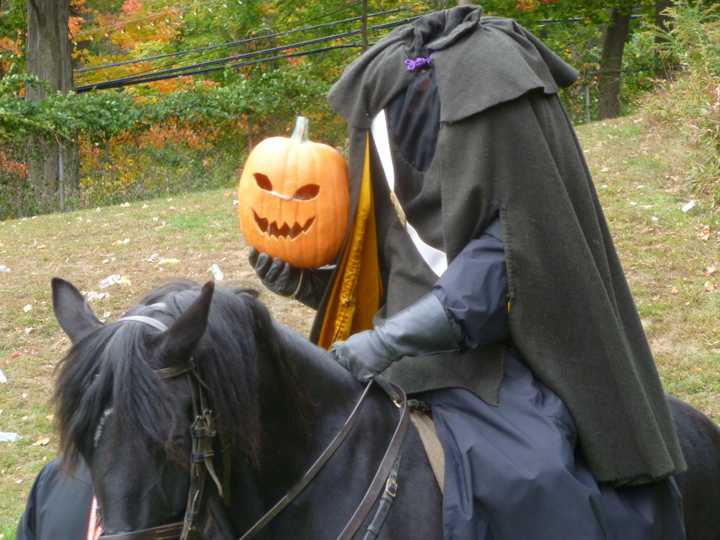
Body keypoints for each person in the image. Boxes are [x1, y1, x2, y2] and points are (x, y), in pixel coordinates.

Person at [250, 5, 687, 539]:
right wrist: (309, 283)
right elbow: (393, 267)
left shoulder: (505, 125)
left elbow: (489, 278)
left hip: (504, 361)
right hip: (395, 366)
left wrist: (384, 343)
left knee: (537, 481)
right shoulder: (387, 124)